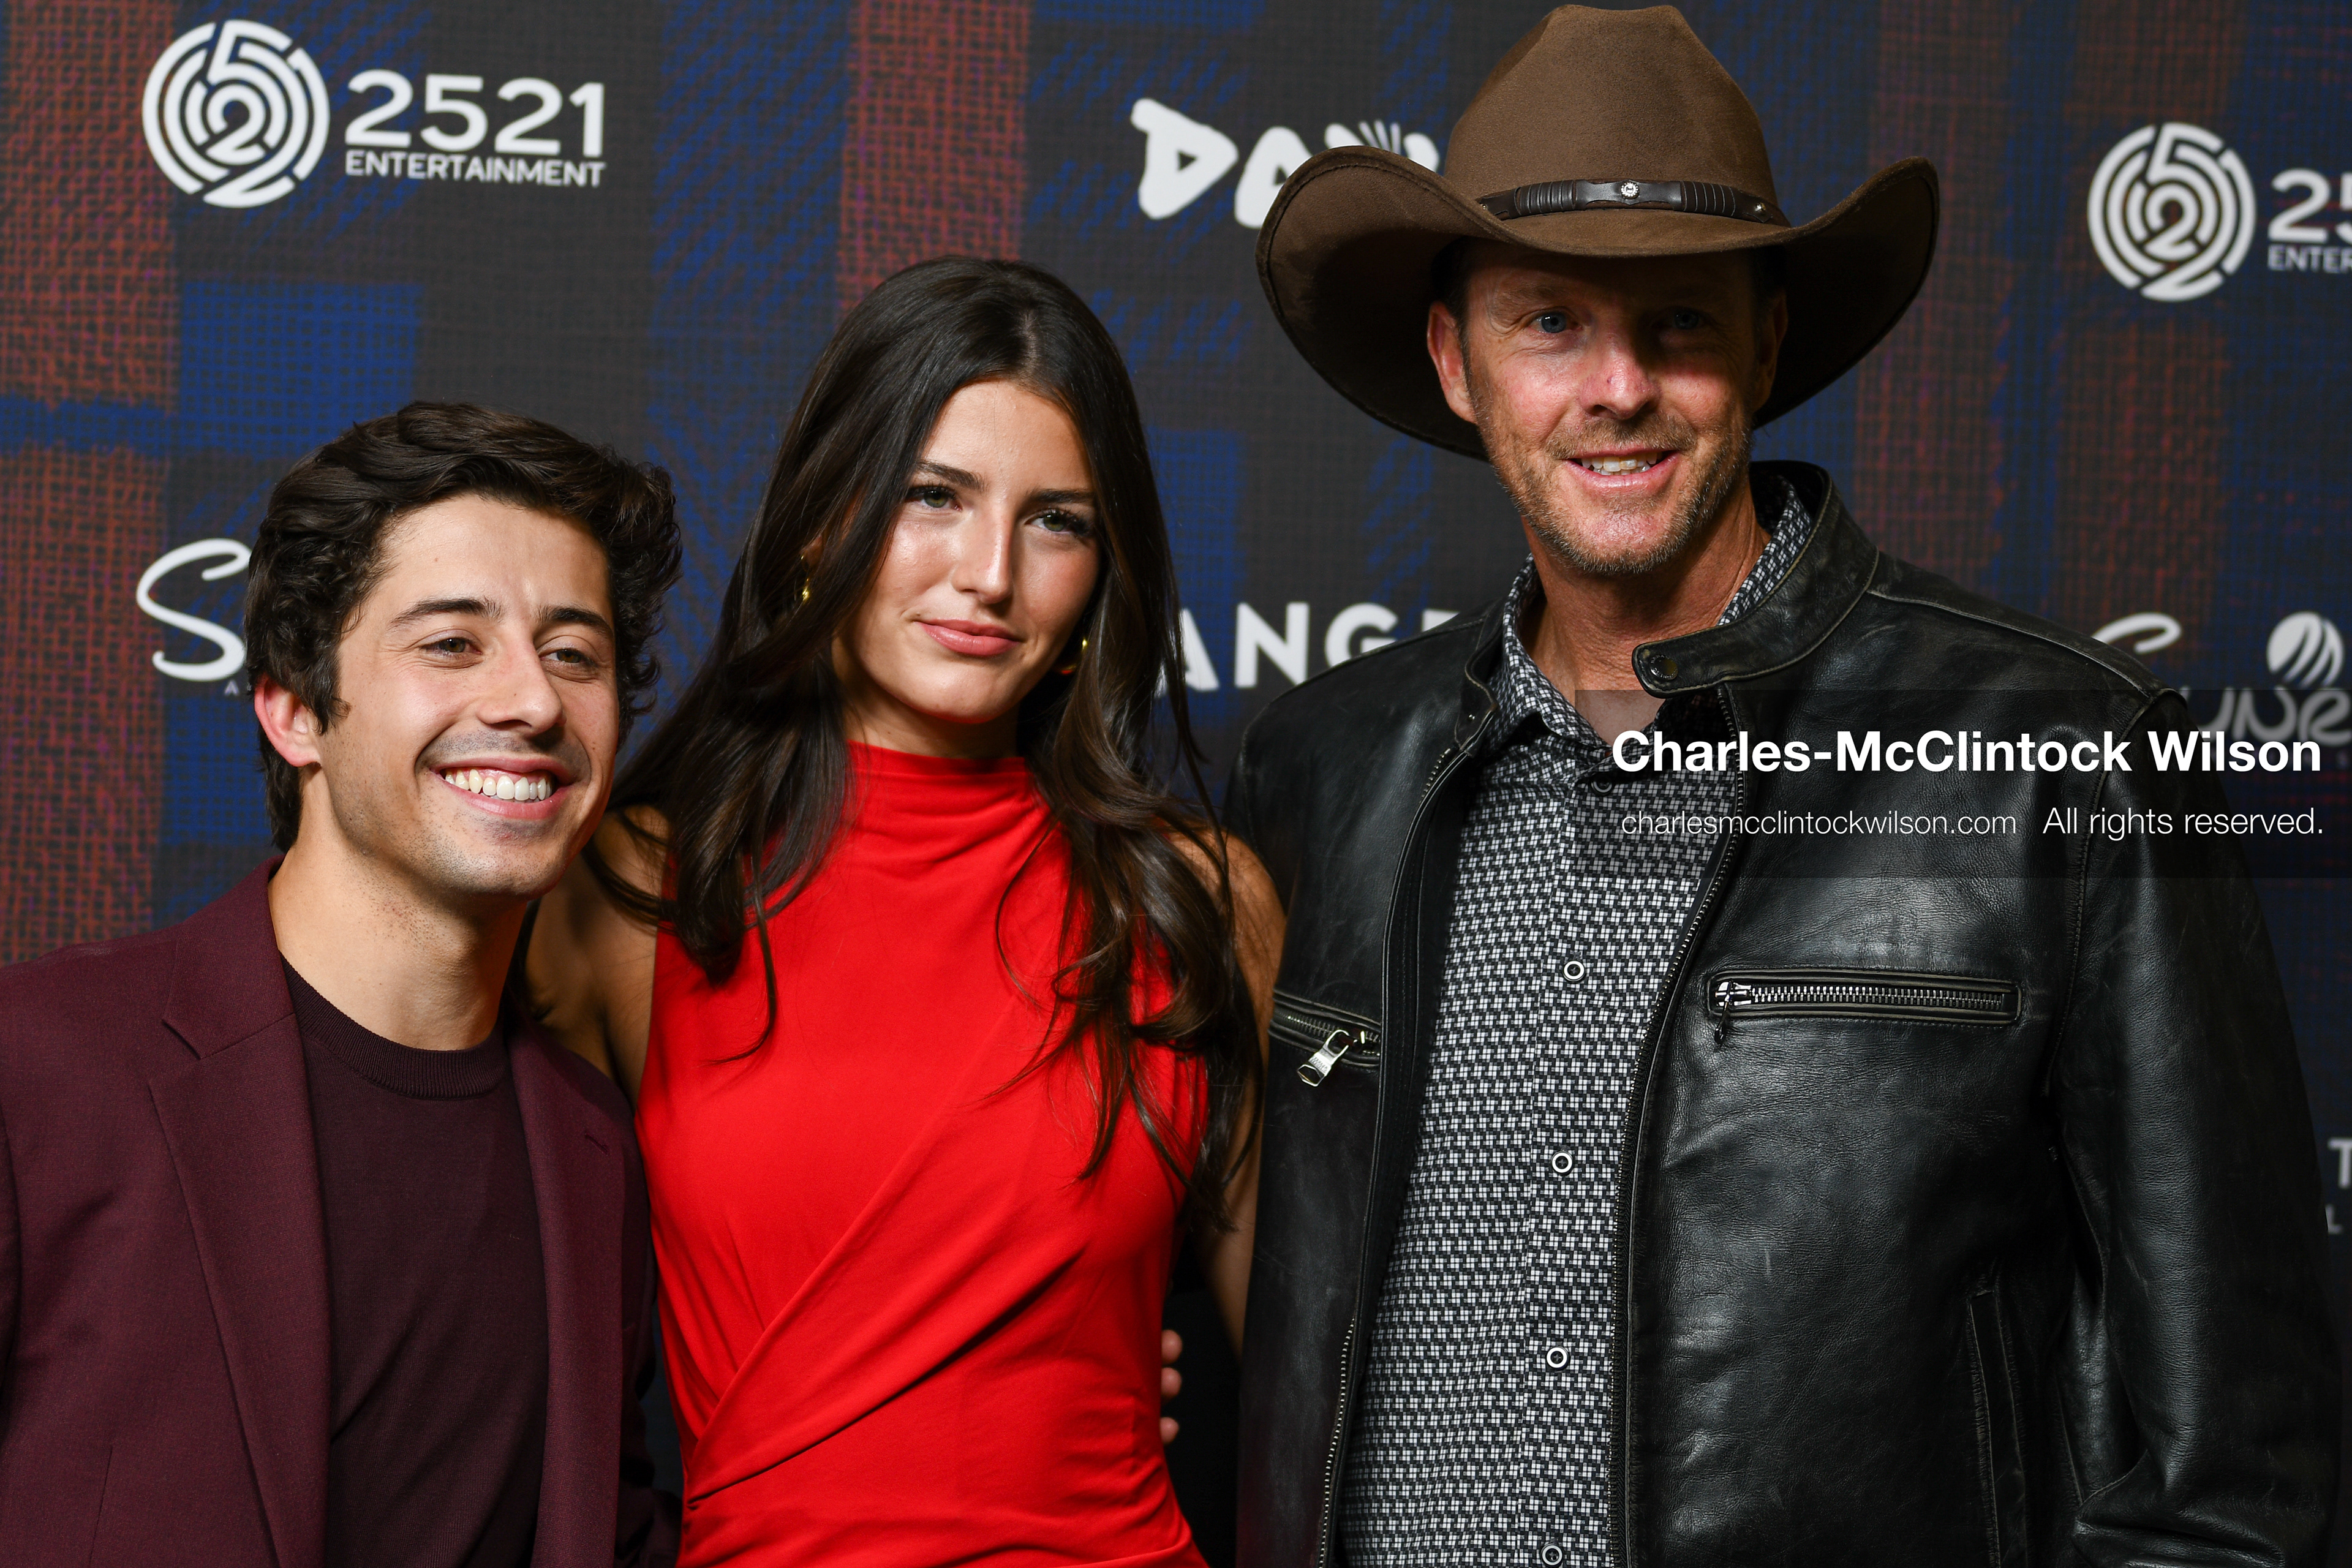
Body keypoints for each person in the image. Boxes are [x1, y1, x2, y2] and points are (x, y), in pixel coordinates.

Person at [1227, 7, 2337, 1567]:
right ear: (1455, 361)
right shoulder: (1323, 767)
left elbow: (2234, 1470)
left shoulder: (2065, 752)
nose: (1618, 385)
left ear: (1765, 346)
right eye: (1550, 321)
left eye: (1678, 320)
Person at [527, 256, 1279, 1567]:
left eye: (1057, 522)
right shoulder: (637, 890)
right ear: (825, 516)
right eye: (934, 496)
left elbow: (1325, 1389)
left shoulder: (1197, 899)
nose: (990, 573)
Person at [0, 403, 684, 1566]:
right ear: (294, 709)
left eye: (575, 654)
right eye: (452, 644)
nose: (532, 701)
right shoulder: (41, 1067)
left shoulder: (594, 1151)